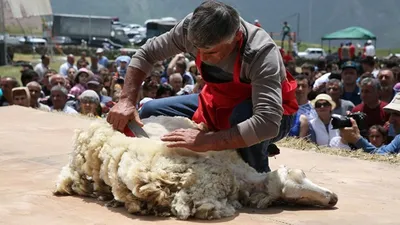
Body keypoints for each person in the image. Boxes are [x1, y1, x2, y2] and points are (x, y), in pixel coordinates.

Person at [106, 1, 298, 173]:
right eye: (197, 50)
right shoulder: (190, 28)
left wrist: (207, 141)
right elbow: (146, 54)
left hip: (270, 114)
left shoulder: (260, 52)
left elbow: (267, 122)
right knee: (149, 110)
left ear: (236, 37)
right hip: (215, 102)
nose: (202, 58)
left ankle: (258, 171)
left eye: (211, 52)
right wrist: (126, 100)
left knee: (243, 116)